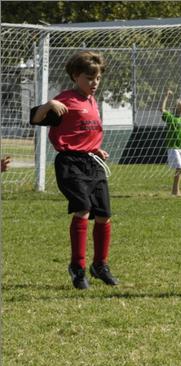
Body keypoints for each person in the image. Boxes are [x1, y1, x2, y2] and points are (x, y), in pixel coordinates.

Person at [30, 50, 118, 289]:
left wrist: (96, 149)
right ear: (75, 76)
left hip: (92, 162)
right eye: (89, 78)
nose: (94, 83)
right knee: (83, 209)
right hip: (70, 164)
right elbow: (36, 119)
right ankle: (77, 268)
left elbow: (83, 131)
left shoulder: (92, 101)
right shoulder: (66, 100)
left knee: (104, 214)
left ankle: (100, 265)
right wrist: (49, 104)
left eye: (98, 78)